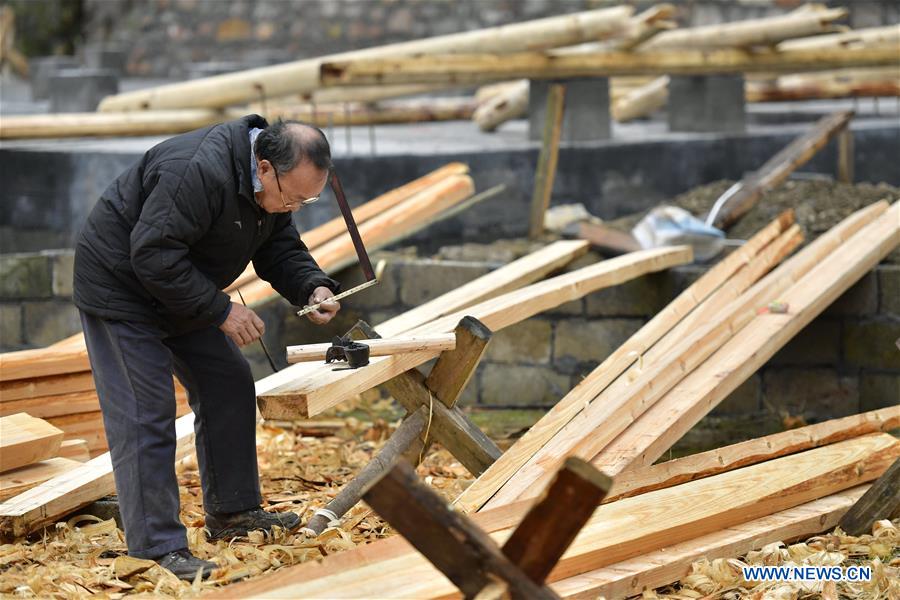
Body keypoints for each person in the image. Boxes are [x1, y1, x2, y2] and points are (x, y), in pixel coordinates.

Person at [73, 116, 340, 579]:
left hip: (179, 285)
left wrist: (312, 286)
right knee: (146, 412)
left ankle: (233, 514)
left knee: (229, 384)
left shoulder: (271, 185)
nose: (295, 206)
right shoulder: (196, 170)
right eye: (294, 197)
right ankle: (156, 549)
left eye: (307, 199)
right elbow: (153, 253)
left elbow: (280, 247)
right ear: (264, 165)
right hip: (123, 287)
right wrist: (221, 311)